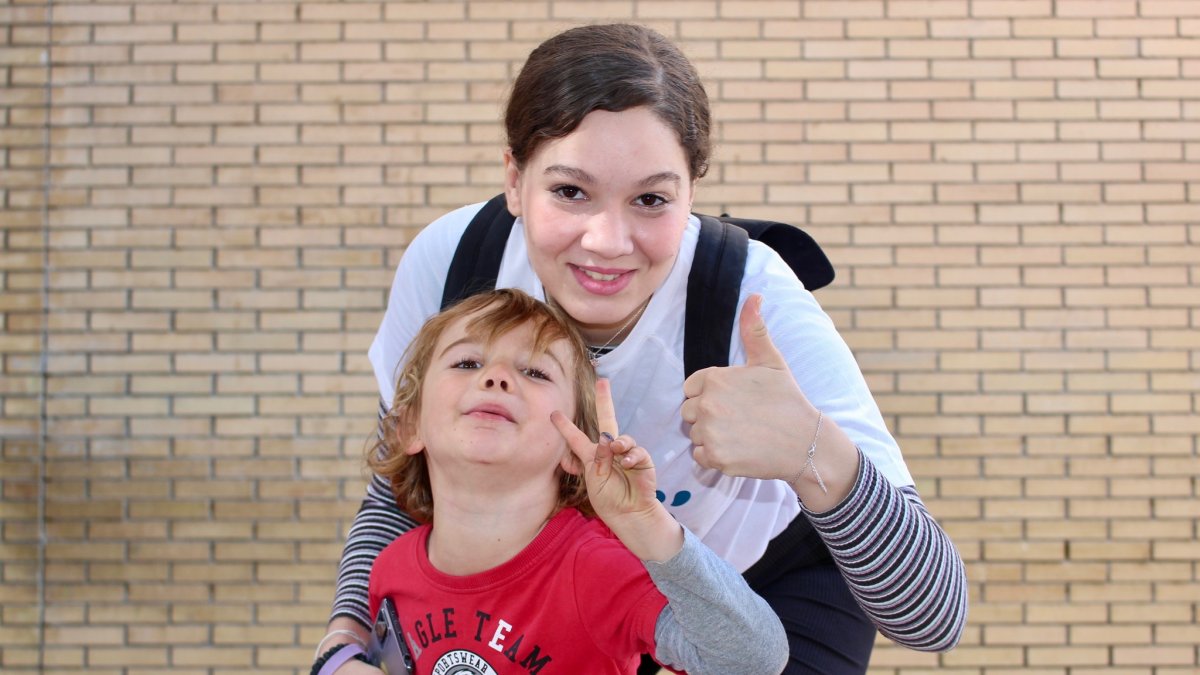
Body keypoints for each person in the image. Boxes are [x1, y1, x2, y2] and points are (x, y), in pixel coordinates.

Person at [320, 22, 967, 674]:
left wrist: (811, 449)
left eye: (651, 199)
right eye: (570, 190)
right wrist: (344, 642)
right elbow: (402, 488)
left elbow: (932, 615)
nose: (607, 239)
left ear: (692, 195)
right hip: (583, 584)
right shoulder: (455, 264)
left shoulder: (754, 302)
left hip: (759, 586)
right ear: (515, 179)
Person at [314, 288, 786, 675]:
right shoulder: (389, 572)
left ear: (572, 448)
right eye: (467, 363)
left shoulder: (598, 568)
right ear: (408, 427)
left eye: (534, 371)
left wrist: (648, 526)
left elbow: (752, 661)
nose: (497, 378)